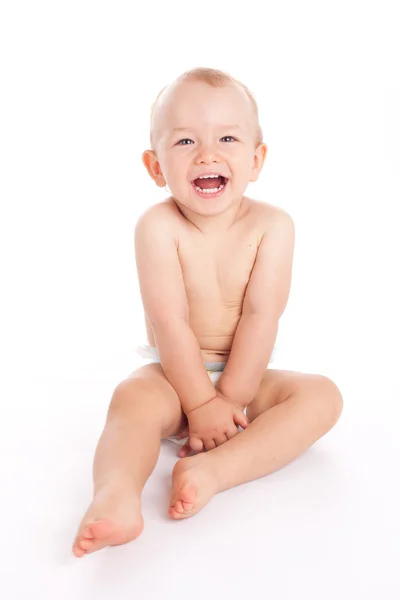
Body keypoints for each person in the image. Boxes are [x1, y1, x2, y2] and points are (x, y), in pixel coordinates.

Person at [72, 67, 343, 558]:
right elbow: (168, 322)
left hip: (246, 380)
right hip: (174, 379)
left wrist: (232, 400)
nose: (207, 154)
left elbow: (263, 315)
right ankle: (115, 495)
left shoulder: (273, 226)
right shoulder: (156, 227)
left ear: (257, 159)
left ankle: (215, 469)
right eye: (185, 142)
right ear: (155, 168)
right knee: (130, 401)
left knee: (323, 397)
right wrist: (199, 405)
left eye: (227, 138)